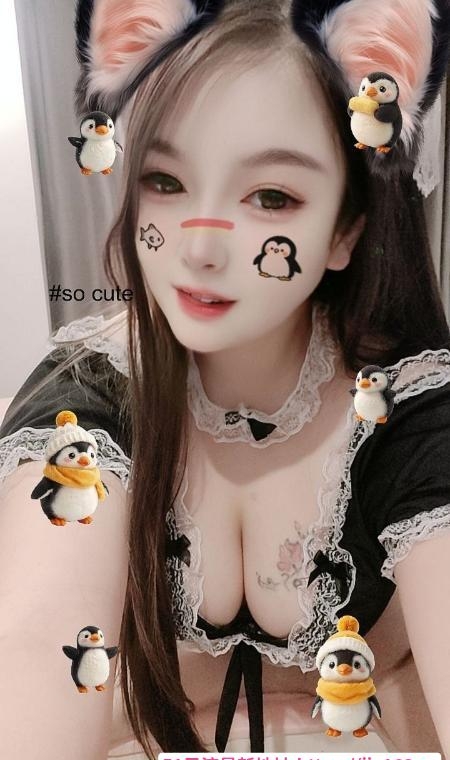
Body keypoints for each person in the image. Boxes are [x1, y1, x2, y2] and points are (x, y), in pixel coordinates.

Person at [1, 0, 449, 757]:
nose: (199, 249)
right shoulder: (90, 395)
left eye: (271, 196)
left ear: (345, 231)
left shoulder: (405, 408)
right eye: (165, 181)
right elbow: (37, 645)